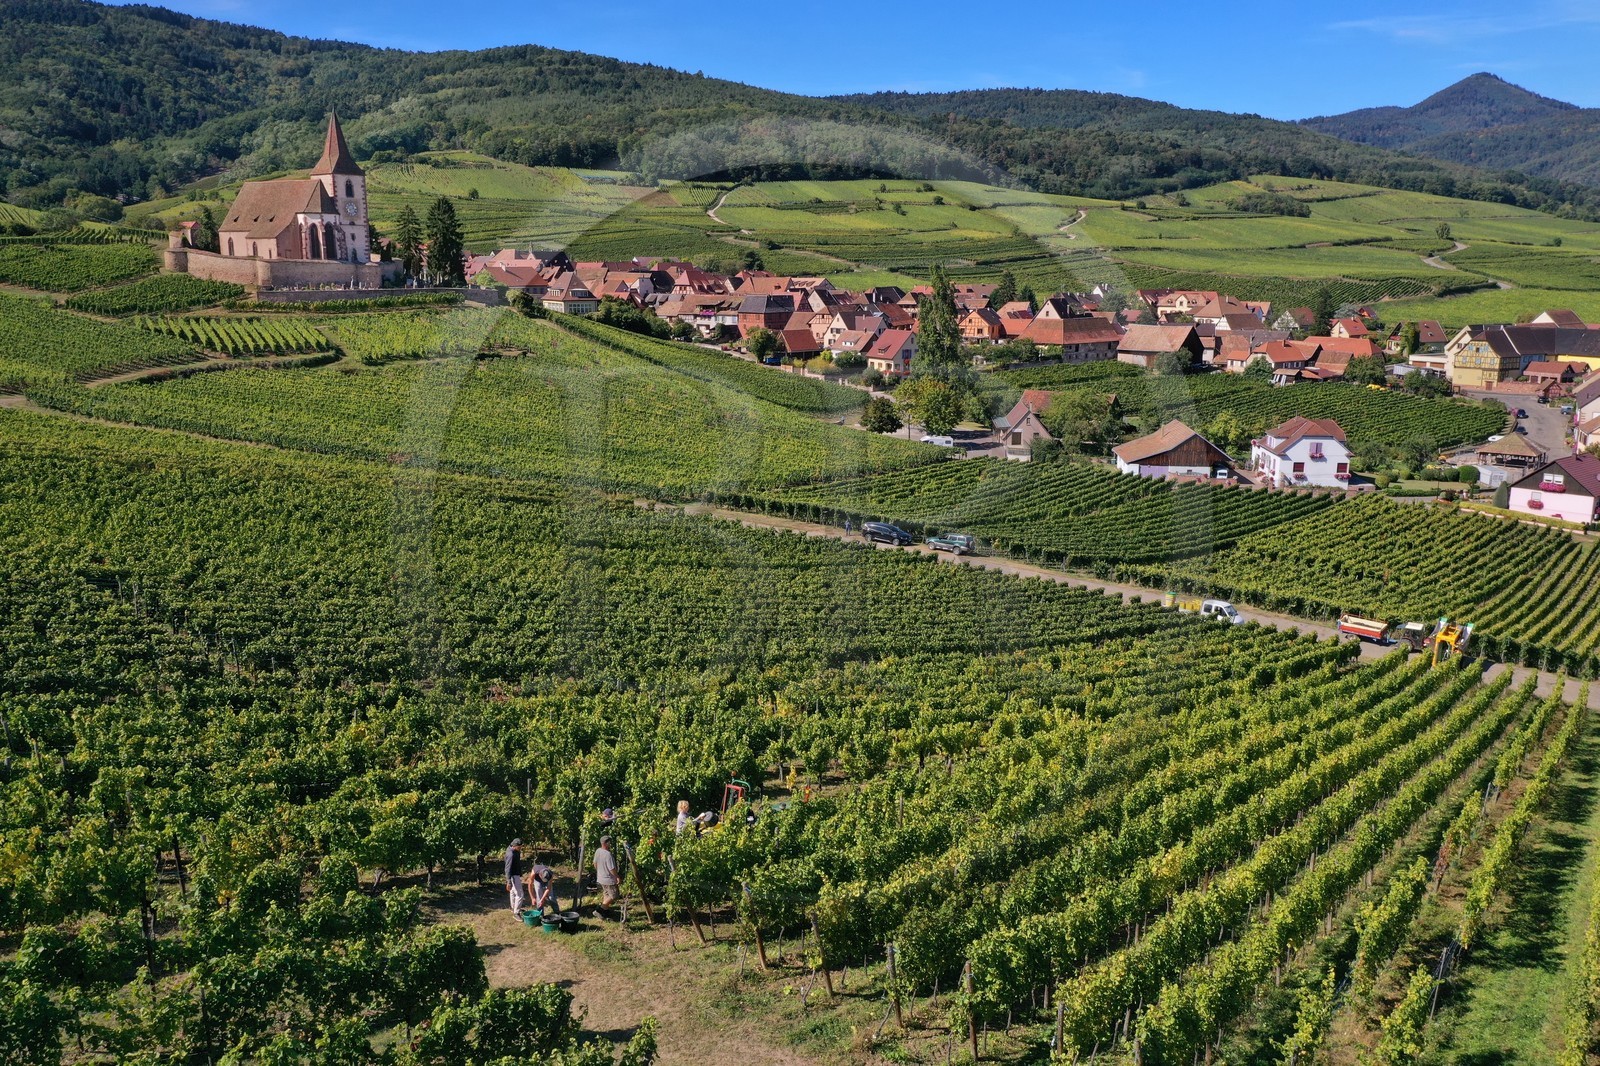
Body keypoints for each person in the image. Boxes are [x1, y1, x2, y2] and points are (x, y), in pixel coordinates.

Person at [594, 835, 620, 912]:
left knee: (606, 894)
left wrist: (600, 871)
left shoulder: (598, 851)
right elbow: (611, 868)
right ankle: (600, 910)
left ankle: (605, 911)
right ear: (605, 843)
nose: (610, 844)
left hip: (601, 878)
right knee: (614, 895)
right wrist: (617, 877)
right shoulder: (608, 854)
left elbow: (595, 863)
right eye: (609, 842)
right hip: (609, 880)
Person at [504, 839, 525, 918]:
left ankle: (513, 908)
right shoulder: (511, 854)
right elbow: (507, 868)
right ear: (514, 846)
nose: (520, 849)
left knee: (513, 892)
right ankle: (516, 913)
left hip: (515, 874)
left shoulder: (512, 849)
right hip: (513, 876)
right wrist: (508, 881)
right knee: (520, 894)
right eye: (519, 847)